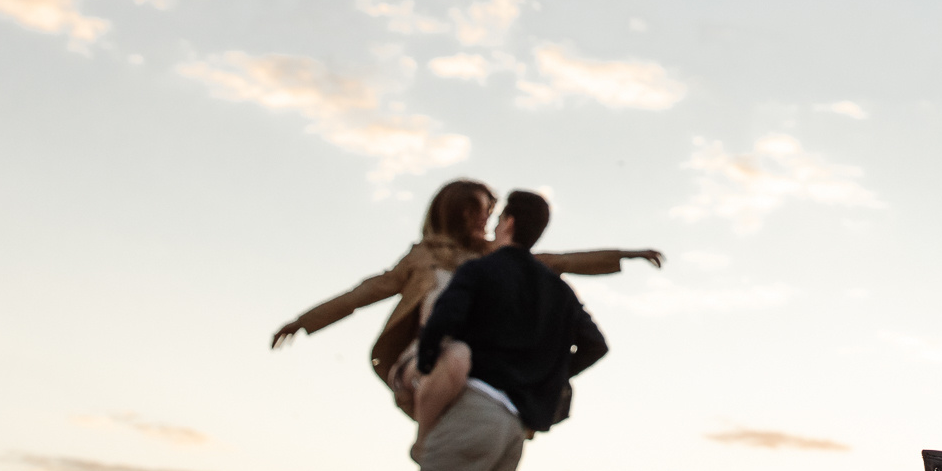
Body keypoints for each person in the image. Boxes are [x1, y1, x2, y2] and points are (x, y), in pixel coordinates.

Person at [268, 178, 658, 419]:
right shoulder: (422, 259)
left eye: (488, 212)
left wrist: (623, 255)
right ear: (454, 212)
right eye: (475, 211)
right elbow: (361, 295)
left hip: (483, 355)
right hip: (432, 352)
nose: (484, 220)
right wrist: (304, 321)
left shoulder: (494, 257)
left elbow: (556, 261)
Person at [406, 190, 606, 471]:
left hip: (475, 407)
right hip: (517, 426)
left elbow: (438, 327)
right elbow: (596, 344)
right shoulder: (558, 289)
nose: (494, 226)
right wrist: (545, 375)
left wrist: (429, 373)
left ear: (510, 223)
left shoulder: (480, 271)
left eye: (500, 220)